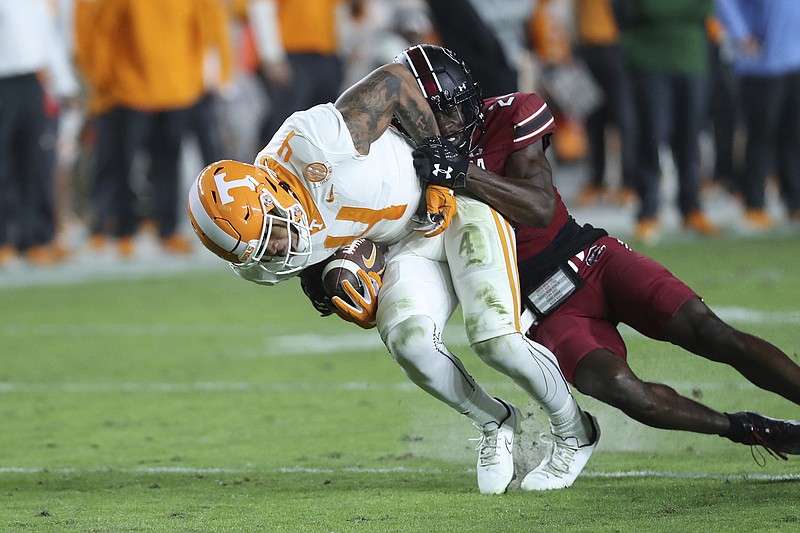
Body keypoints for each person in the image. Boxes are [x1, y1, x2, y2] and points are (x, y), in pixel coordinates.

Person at [187, 51, 599, 494]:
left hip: (456, 207)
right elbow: (318, 256)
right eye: (260, 252)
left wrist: (440, 174)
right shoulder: (259, 262)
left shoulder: (316, 142)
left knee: (496, 340)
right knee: (409, 342)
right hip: (405, 243)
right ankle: (495, 421)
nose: (277, 250)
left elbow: (397, 81)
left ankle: (574, 429)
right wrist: (332, 287)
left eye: (273, 234)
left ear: (272, 192)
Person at [407, 43, 800, 470]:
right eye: (436, 114)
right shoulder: (405, 161)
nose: (450, 123)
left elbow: (539, 206)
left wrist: (464, 173)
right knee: (625, 392)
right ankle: (746, 427)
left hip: (591, 259)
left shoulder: (511, 112)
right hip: (541, 306)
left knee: (711, 333)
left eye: (455, 109)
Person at [619, 0, 720, 243]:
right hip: (649, 60)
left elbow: (704, 8)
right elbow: (643, 9)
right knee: (652, 135)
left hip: (690, 60)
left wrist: (662, 11)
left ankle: (691, 208)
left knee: (689, 136)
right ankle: (648, 210)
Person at [714, 0, 800, 230]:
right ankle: (754, 204)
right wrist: (741, 34)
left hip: (795, 59)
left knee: (794, 135)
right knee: (762, 135)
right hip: (763, 64)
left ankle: (794, 201)